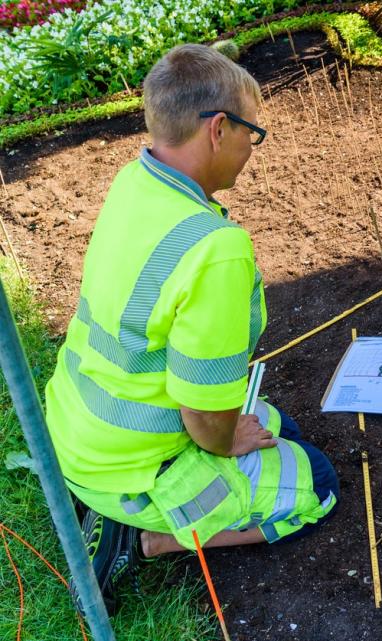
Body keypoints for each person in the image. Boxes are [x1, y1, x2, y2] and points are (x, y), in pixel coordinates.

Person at [44, 44, 339, 614]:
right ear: (218, 129)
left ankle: (128, 508)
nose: (251, 151)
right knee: (319, 482)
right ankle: (144, 537)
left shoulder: (135, 181)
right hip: (136, 467)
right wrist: (226, 441)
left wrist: (231, 431)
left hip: (76, 430)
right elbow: (205, 418)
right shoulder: (216, 251)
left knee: (283, 427)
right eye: (252, 134)